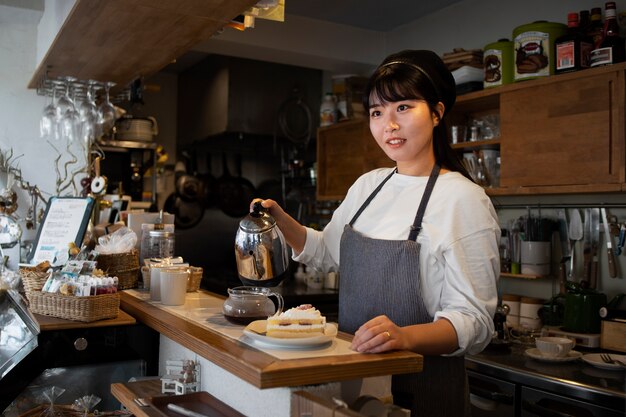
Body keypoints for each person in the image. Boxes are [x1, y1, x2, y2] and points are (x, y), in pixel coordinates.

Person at [251, 50, 500, 416]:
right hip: (355, 379)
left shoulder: (464, 199)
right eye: (377, 112)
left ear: (437, 112)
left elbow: (476, 322)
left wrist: (405, 336)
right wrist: (280, 219)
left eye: (403, 107)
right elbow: (326, 251)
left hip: (422, 389)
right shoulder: (369, 185)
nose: (389, 125)